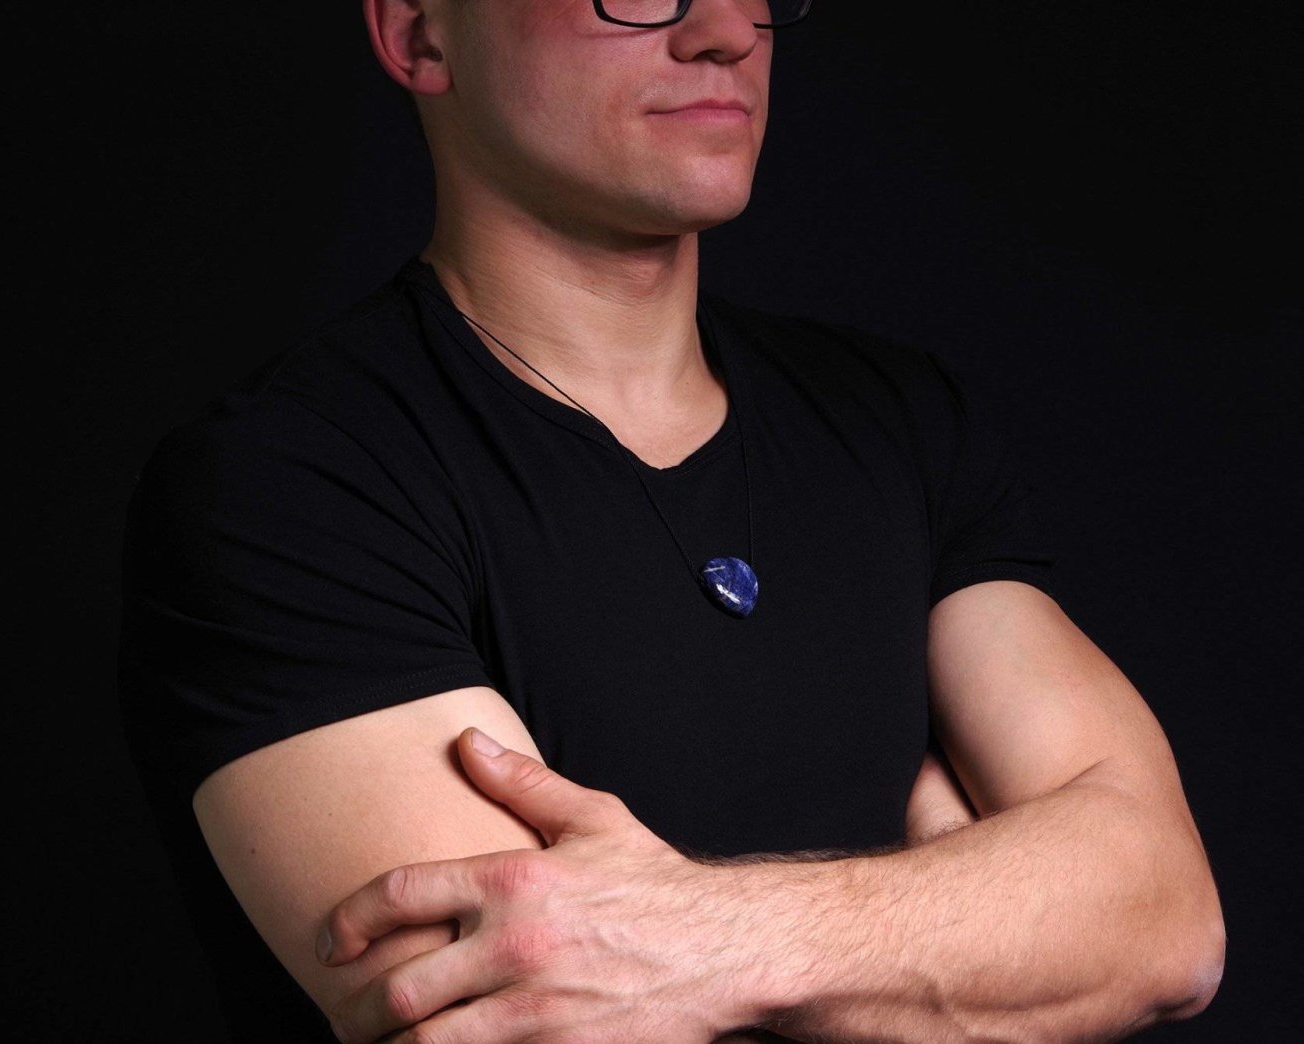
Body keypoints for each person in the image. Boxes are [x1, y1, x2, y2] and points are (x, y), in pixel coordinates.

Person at [118, 0, 1225, 1040]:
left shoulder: (899, 422)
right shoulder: (292, 481)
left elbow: (1166, 919)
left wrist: (698, 940)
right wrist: (972, 906)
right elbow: (528, 1018)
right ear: (420, 34)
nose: (727, 29)